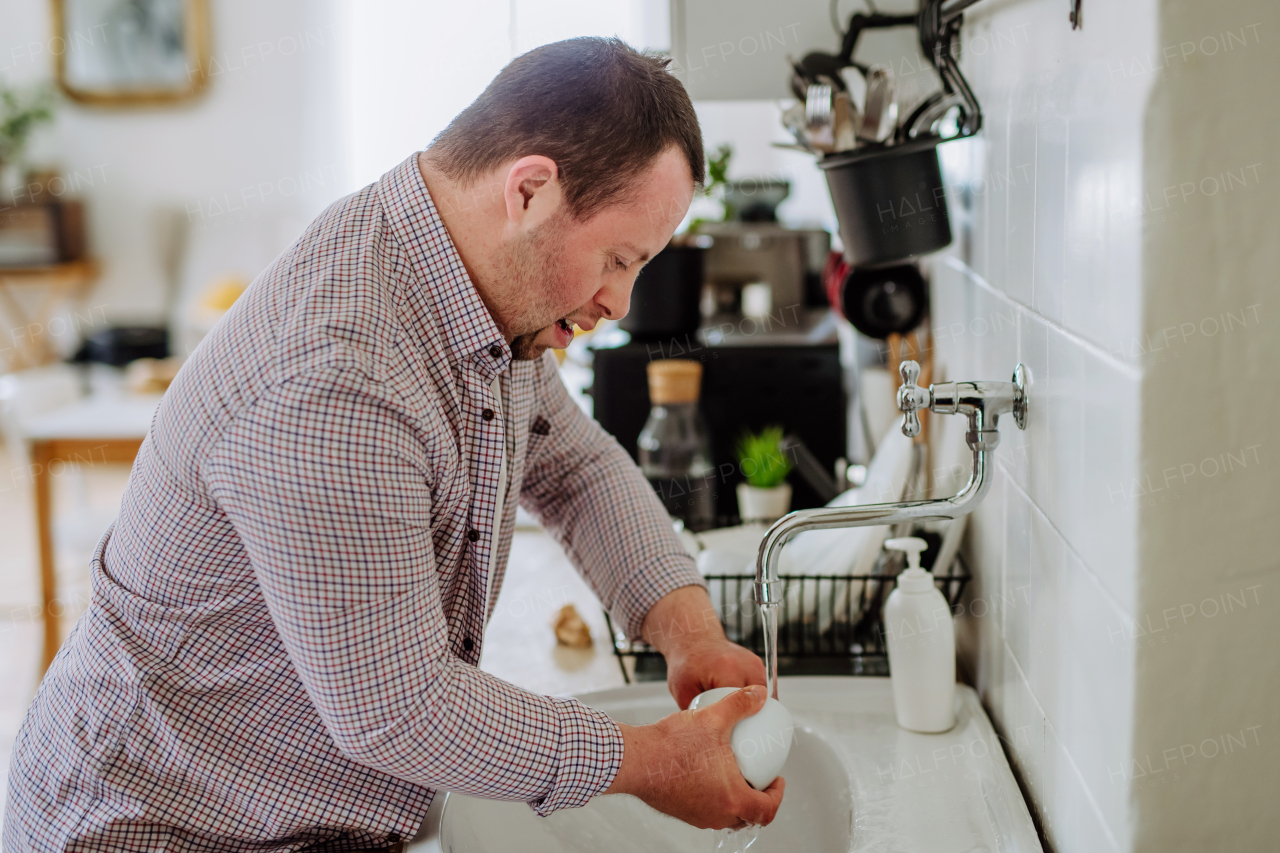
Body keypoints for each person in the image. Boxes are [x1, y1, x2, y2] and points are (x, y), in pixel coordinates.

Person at [3, 37, 785, 853]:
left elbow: (577, 470)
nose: (619, 302)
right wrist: (649, 761)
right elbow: (399, 708)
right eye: (619, 259)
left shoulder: (480, 295)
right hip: (157, 828)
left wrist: (688, 630)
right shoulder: (340, 373)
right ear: (530, 190)